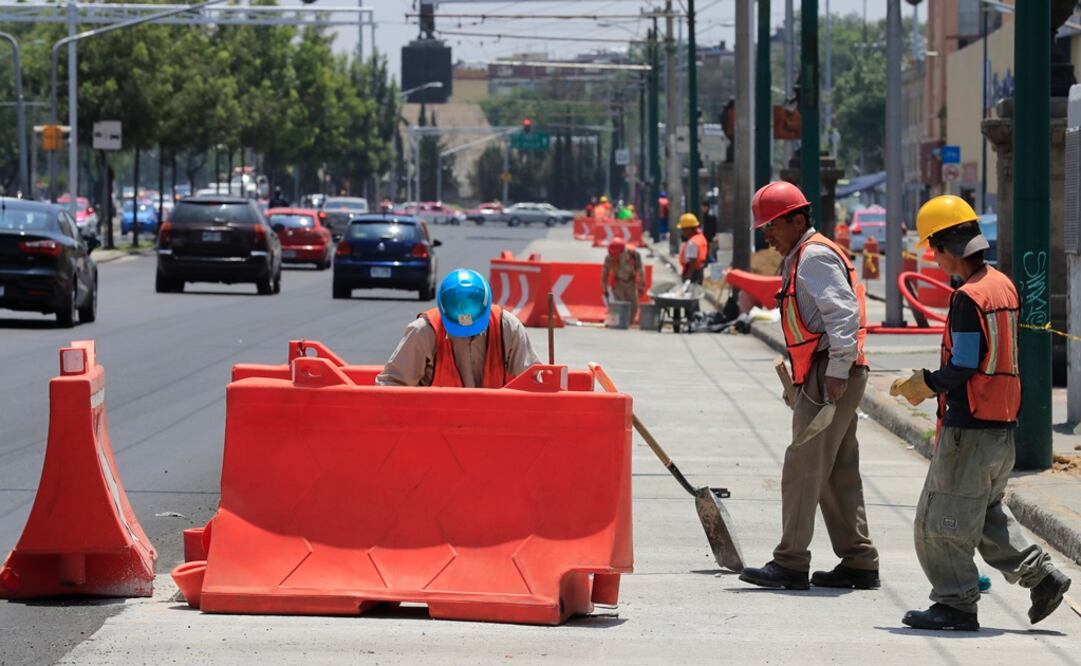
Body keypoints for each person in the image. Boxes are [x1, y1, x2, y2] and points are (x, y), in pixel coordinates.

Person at [891, 195, 1073, 631]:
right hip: (1002, 425)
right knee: (986, 516)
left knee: (940, 522)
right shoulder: (1002, 285)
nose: (932, 259)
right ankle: (1043, 577)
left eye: (933, 249)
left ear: (948, 247)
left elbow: (965, 364)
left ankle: (955, 604)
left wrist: (924, 384)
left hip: (970, 428)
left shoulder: (968, 298)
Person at [739, 180, 879, 591]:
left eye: (773, 227)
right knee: (837, 471)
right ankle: (858, 561)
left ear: (798, 220)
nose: (768, 236)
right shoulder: (803, 256)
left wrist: (835, 371)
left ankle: (791, 562)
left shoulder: (814, 257)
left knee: (802, 466)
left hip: (829, 374)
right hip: (826, 372)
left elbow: (842, 316)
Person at [376, 269, 540, 388]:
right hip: (436, 426)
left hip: (495, 423)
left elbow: (532, 382)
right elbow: (392, 385)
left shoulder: (507, 327)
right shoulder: (425, 331)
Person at [601, 237, 644, 324]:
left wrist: (641, 285)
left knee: (634, 307)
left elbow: (640, 270)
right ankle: (622, 323)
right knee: (621, 305)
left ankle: (629, 323)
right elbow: (605, 273)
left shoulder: (633, 255)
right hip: (618, 283)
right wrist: (604, 288)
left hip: (630, 282)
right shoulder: (609, 257)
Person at [677, 213, 708, 284]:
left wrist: (687, 279)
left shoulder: (692, 243)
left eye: (683, 229)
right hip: (699, 271)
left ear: (689, 229)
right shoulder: (700, 238)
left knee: (690, 294)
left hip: (692, 274)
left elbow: (692, 263)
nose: (683, 232)